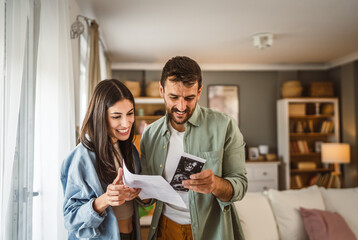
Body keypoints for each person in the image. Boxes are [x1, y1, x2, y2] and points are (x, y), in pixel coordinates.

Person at [140, 56, 248, 240]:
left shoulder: (225, 126)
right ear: (161, 90)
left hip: (211, 230)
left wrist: (216, 184)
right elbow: (147, 196)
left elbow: (240, 186)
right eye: (173, 97)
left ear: (199, 92)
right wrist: (139, 192)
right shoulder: (150, 134)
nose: (181, 106)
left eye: (189, 98)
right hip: (166, 228)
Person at [61, 79, 142, 240]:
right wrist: (106, 199)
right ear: (100, 116)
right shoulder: (82, 156)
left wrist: (136, 193)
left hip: (130, 233)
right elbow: (71, 219)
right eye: (116, 116)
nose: (126, 123)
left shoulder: (130, 150)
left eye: (130, 113)